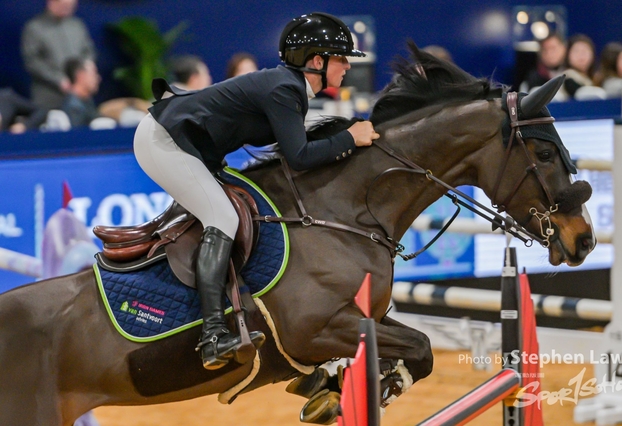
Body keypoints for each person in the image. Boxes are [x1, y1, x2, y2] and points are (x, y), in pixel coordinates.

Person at [133, 12, 379, 370]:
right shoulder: (285, 89)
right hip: (164, 141)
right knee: (222, 217)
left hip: (188, 144)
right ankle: (212, 336)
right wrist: (349, 138)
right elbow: (299, 157)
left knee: (233, 210)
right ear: (317, 61)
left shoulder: (290, 87)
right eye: (341, 58)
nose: (347, 66)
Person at [21, 0, 96, 109]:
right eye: (64, 5)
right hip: (48, 95)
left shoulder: (77, 25)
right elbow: (32, 61)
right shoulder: (34, 28)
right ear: (51, 3)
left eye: (71, 6)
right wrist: (58, 80)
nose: (67, 9)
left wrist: (85, 72)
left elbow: (88, 51)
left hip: (79, 94)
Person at [61, 58, 101, 127]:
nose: (98, 78)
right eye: (94, 73)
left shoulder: (87, 102)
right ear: (80, 75)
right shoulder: (74, 108)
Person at [562, 34, 597, 98]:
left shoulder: (597, 78)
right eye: (576, 51)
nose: (581, 55)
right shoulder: (567, 78)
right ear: (568, 55)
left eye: (584, 51)